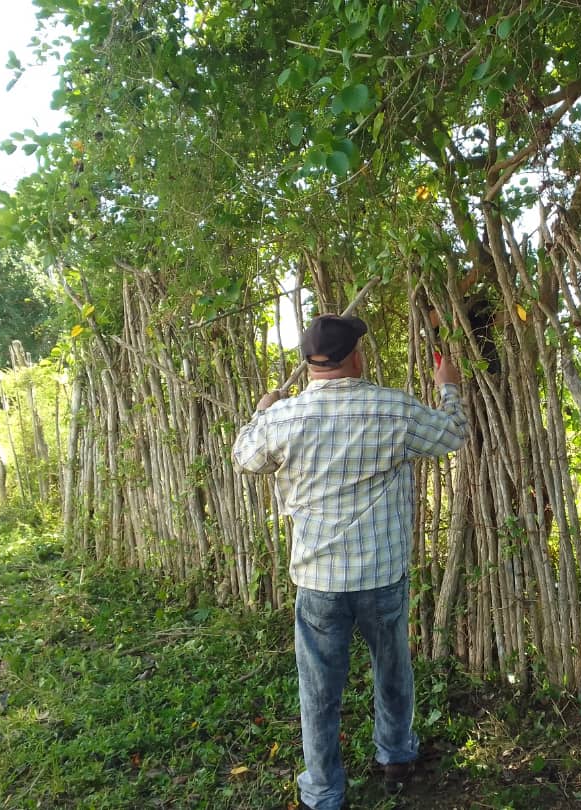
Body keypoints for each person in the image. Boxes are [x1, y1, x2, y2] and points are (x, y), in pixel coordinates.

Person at [231, 313, 468, 810]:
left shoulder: (285, 418)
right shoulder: (393, 409)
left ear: (310, 363)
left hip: (318, 581)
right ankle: (397, 757)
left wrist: (262, 410)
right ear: (355, 357)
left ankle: (322, 792)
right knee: (392, 669)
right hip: (381, 574)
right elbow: (451, 436)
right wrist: (448, 389)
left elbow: (245, 457)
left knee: (318, 689)